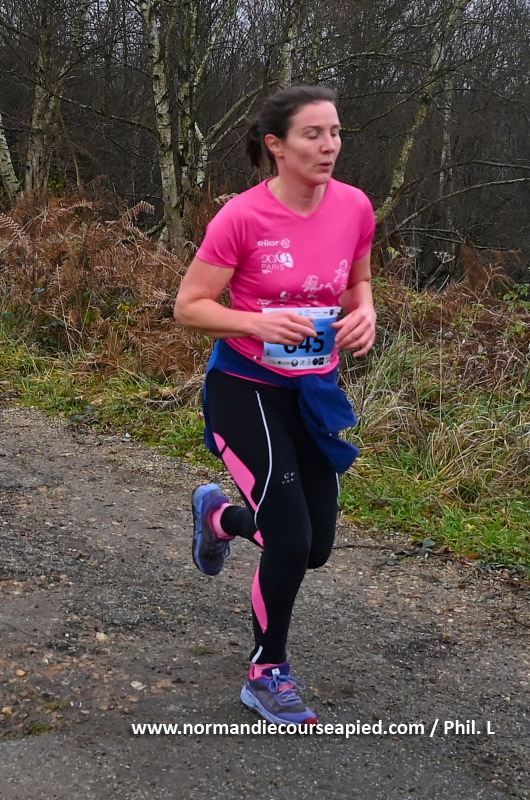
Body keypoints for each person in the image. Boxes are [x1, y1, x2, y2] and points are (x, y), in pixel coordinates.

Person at [174, 85, 376, 727]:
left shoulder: (354, 206)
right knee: (289, 538)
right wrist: (256, 323)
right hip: (245, 390)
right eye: (313, 134)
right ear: (276, 145)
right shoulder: (242, 217)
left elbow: (357, 283)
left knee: (313, 548)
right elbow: (189, 306)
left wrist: (365, 314)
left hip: (313, 392)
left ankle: (219, 517)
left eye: (335, 132)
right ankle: (267, 673)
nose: (329, 145)